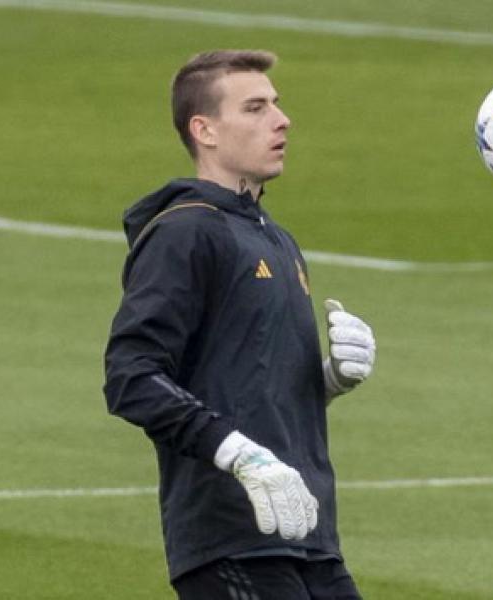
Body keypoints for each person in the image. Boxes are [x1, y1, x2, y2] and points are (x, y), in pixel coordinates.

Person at [103, 49, 376, 599]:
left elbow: (246, 382)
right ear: (204, 130)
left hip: (307, 534)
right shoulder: (186, 233)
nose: (281, 119)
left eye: (276, 104)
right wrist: (241, 455)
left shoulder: (274, 238)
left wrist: (326, 379)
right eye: (255, 108)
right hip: (229, 535)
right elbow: (130, 375)